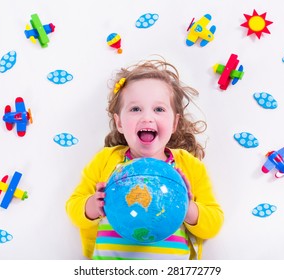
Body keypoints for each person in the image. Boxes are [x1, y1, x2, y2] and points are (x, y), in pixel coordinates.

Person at [66, 59, 224, 260]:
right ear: (119, 123)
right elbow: (73, 208)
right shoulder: (106, 160)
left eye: (159, 109)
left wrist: (187, 207)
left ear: (175, 122)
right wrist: (91, 206)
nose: (147, 118)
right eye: (135, 109)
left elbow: (214, 224)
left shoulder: (189, 166)